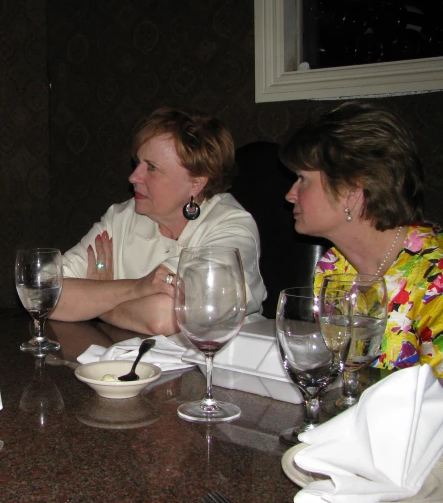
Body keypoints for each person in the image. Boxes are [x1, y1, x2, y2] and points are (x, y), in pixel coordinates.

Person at [51, 106, 266, 335]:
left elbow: (165, 316)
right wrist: (136, 288)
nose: (133, 177)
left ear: (196, 182)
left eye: (151, 168)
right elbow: (46, 294)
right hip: (136, 364)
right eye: (138, 163)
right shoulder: (121, 219)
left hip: (225, 366)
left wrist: (98, 302)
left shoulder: (232, 228)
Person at [281, 101, 443, 378]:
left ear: (351, 191)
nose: (290, 194)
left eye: (302, 179)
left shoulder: (434, 275)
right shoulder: (333, 268)